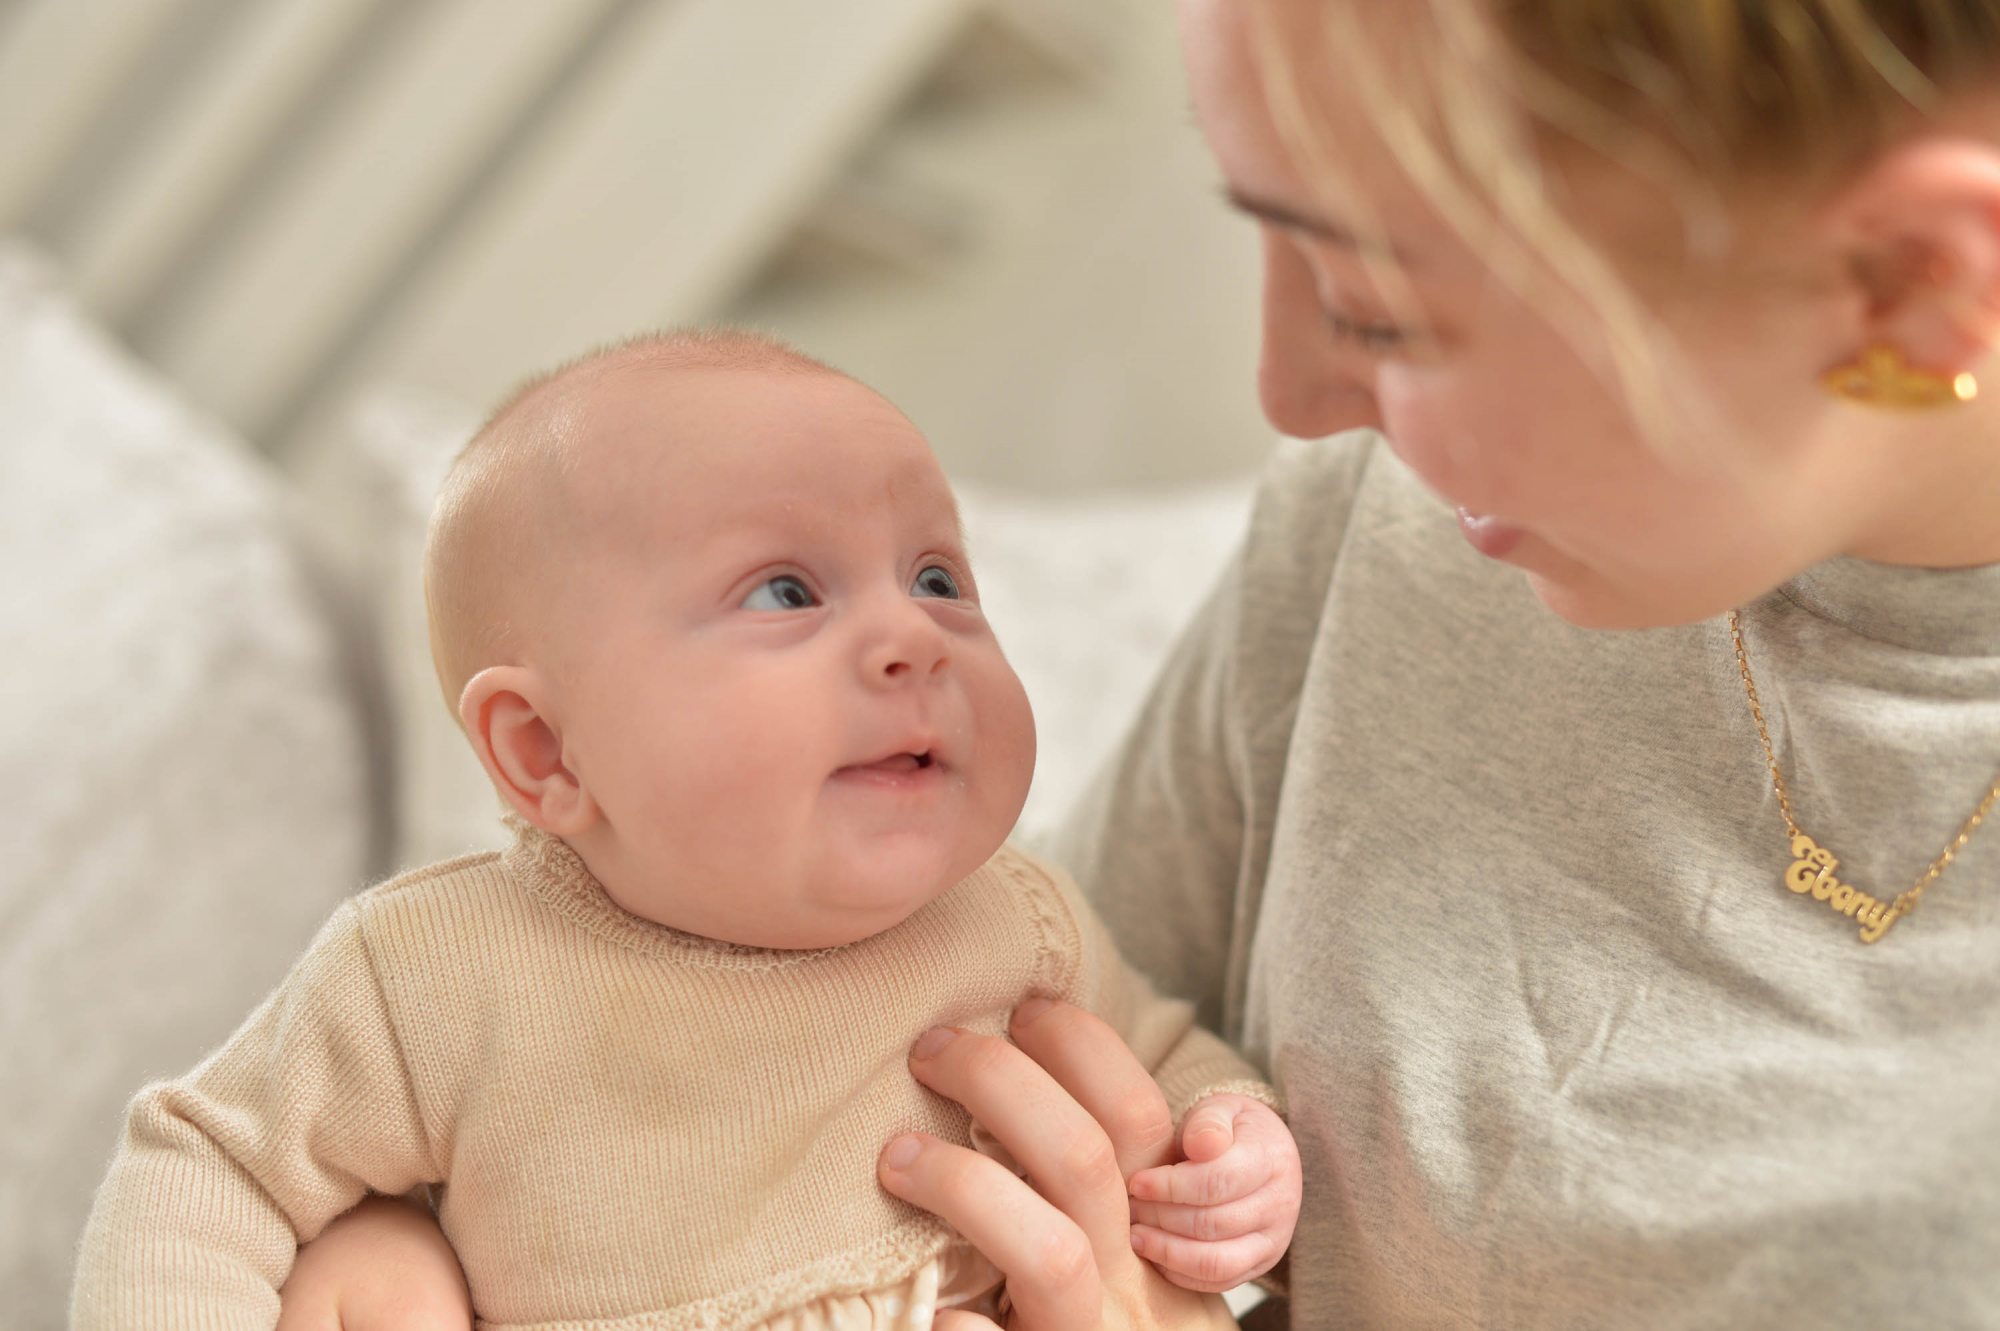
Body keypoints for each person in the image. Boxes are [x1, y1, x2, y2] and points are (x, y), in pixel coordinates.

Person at [240, 0, 2000, 1326]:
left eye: (1386, 307)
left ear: (1925, 288)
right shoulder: (1392, 534)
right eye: (1276, 236)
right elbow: (902, 1047)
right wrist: (419, 1231)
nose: (1297, 404)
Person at [67, 331, 1301, 1331]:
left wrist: (1232, 1143)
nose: (912, 636)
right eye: (784, 590)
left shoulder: (1015, 922)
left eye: (936, 577)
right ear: (546, 753)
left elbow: (1163, 1052)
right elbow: (209, 1166)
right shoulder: (437, 972)